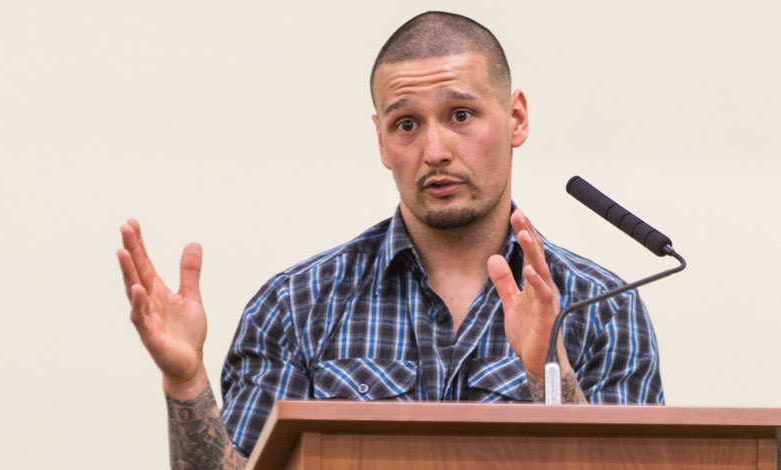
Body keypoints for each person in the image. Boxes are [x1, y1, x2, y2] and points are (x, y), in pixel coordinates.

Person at [116, 11, 663, 470]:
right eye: (407, 125)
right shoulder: (295, 306)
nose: (435, 150)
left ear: (515, 118)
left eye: (461, 115)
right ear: (381, 139)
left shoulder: (604, 307)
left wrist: (550, 373)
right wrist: (185, 380)